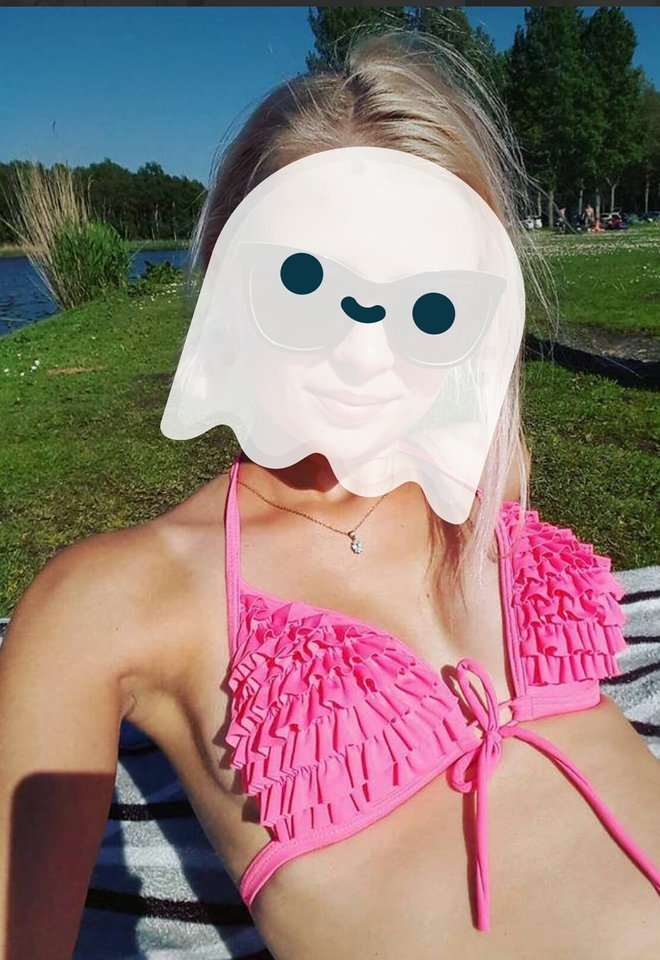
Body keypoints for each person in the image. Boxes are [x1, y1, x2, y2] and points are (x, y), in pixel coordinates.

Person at [1, 26, 659, 960]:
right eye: (305, 282)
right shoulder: (115, 599)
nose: (365, 351)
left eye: (429, 304)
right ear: (227, 267)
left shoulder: (480, 483)